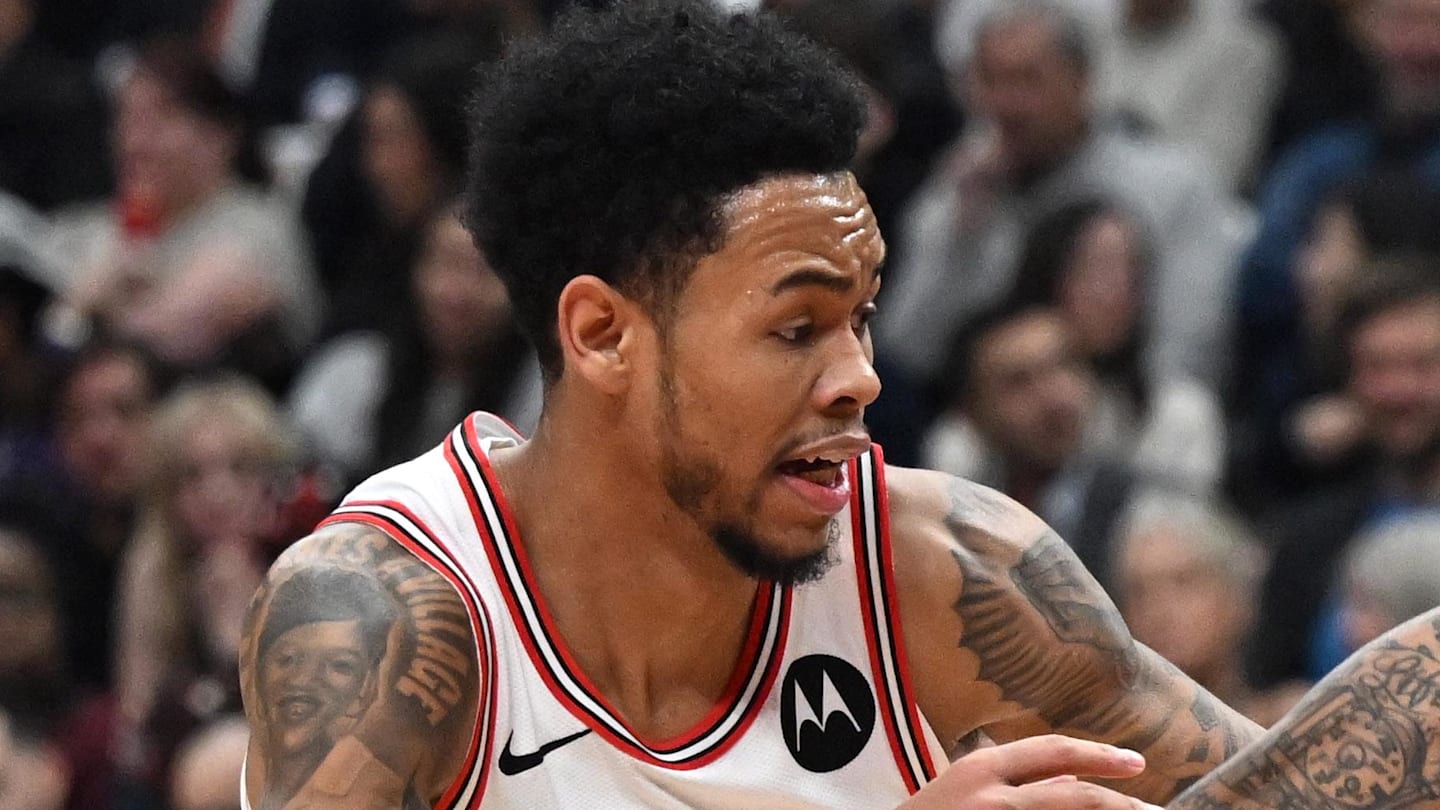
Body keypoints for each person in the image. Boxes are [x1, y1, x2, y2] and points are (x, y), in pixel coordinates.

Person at [240, 3, 1259, 808]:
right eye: (796, 327)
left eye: (859, 318)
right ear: (603, 335)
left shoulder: (942, 570)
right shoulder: (384, 620)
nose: (859, 374)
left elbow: (1284, 792)